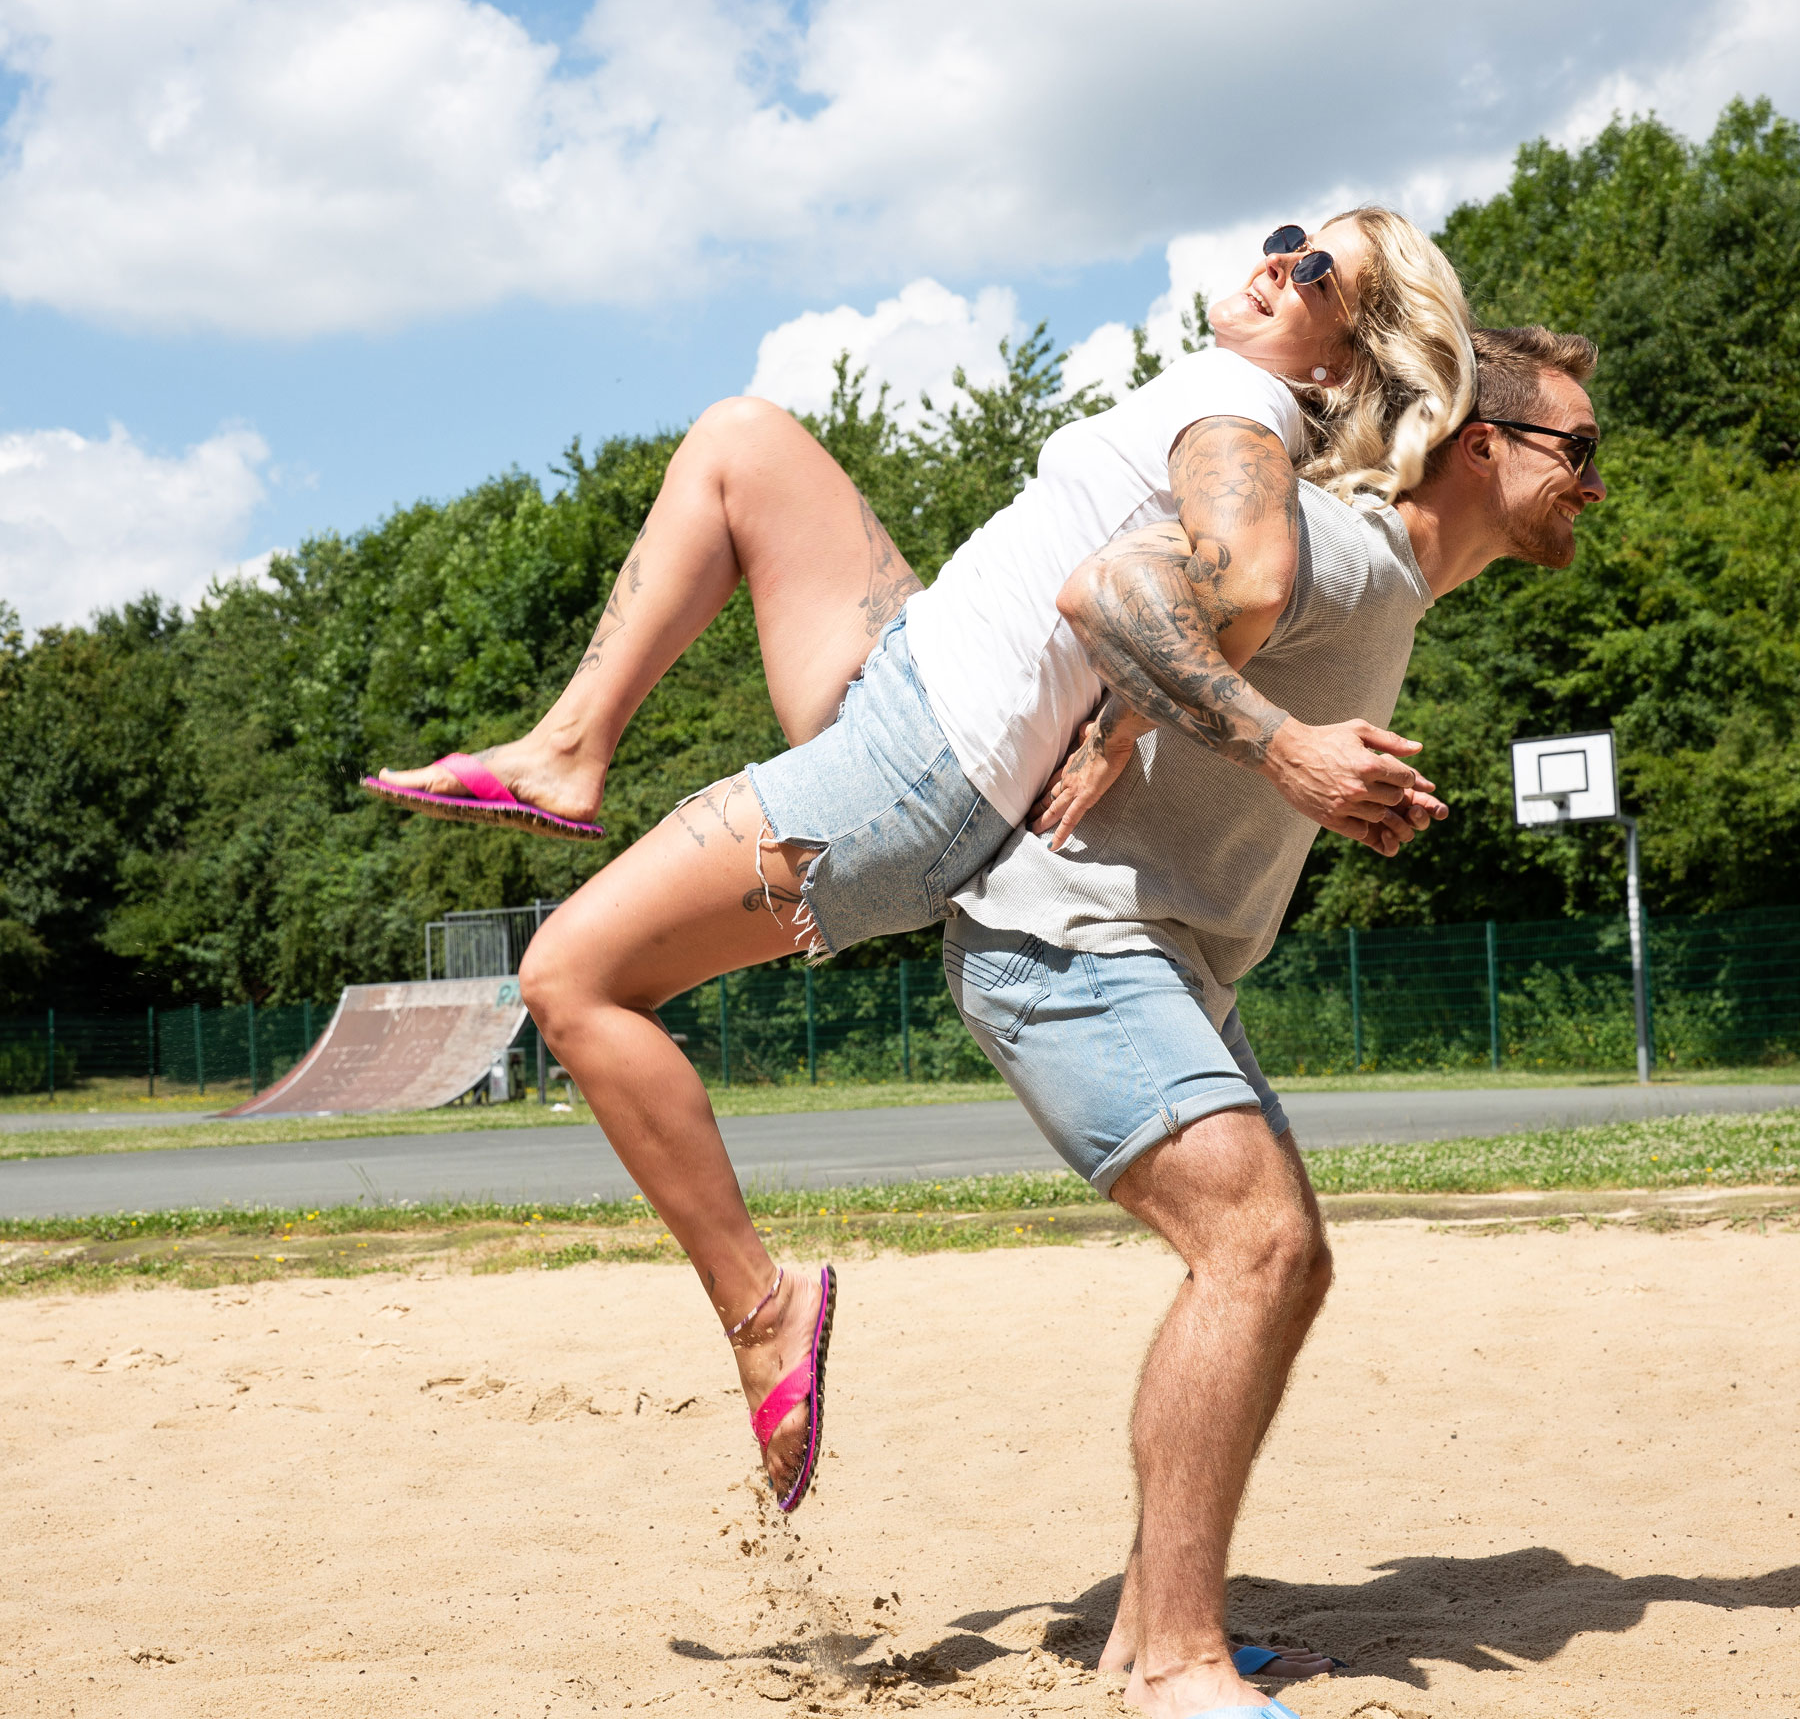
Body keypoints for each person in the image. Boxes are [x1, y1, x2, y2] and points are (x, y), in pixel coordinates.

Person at [366, 210, 1474, 1517]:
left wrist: (1249, 738)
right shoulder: (1229, 409)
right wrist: (1126, 709)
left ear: (1344, 363)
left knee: (568, 981)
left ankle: (764, 1313)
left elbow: (1246, 580)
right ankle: (568, 749)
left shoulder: (1243, 417)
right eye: (1287, 238)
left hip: (922, 770)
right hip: (912, 665)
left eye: (1315, 271)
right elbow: (1193, 594)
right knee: (740, 442)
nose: (1276, 264)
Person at [941, 325, 1605, 1719]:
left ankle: (1145, 1633)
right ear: (1480, 443)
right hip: (1066, 940)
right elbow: (1113, 582)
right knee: (1257, 1244)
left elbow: (1180, 627)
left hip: (1162, 957)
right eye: (1577, 452)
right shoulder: (1346, 544)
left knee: (1285, 1267)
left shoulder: (1390, 589)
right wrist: (1284, 748)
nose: (1592, 483)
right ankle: (1178, 1664)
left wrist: (1177, 730)